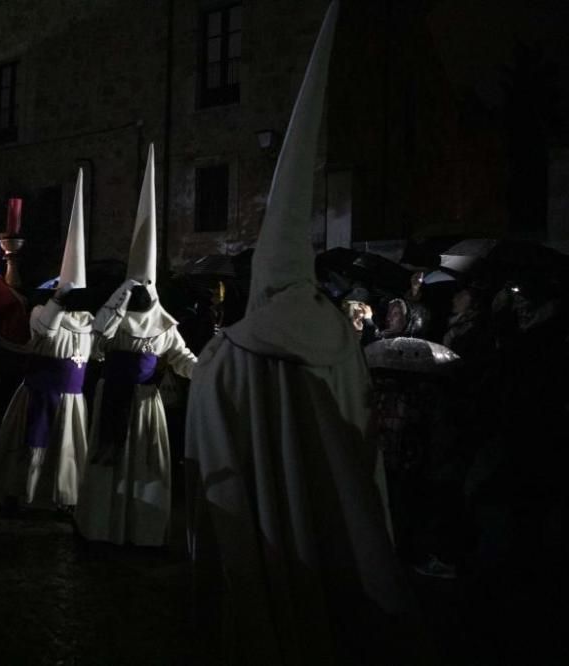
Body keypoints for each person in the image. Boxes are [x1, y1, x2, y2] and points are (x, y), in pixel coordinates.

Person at [185, 4, 426, 662]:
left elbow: (205, 451)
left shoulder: (226, 353)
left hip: (256, 528)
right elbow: (361, 435)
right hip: (331, 525)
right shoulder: (339, 339)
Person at [73, 144, 197, 548]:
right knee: (109, 460)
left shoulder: (165, 327)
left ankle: (139, 529)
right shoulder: (115, 321)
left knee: (143, 462)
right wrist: (119, 298)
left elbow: (183, 360)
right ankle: (102, 525)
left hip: (145, 403)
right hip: (114, 395)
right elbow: (96, 340)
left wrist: (211, 368)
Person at [0, 168, 93, 511]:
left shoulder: (89, 322)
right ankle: (23, 492)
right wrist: (58, 300)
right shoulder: (42, 313)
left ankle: (63, 495)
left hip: (71, 397)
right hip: (40, 391)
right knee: (33, 442)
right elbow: (42, 330)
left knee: (67, 447)